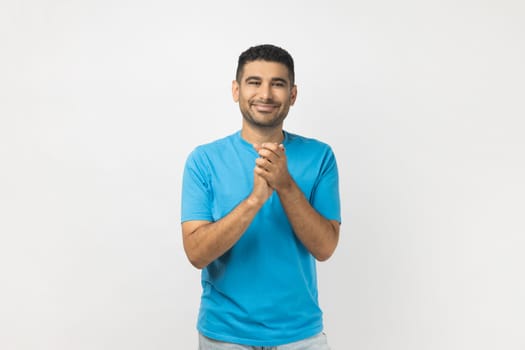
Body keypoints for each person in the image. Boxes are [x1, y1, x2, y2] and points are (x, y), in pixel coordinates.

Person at [181, 44, 341, 349]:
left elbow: (325, 247)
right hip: (225, 336)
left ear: (292, 95)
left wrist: (285, 185)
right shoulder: (204, 160)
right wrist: (255, 199)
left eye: (277, 84)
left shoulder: (320, 156)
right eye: (254, 82)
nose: (265, 94)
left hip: (301, 335)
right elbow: (196, 253)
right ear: (236, 90)